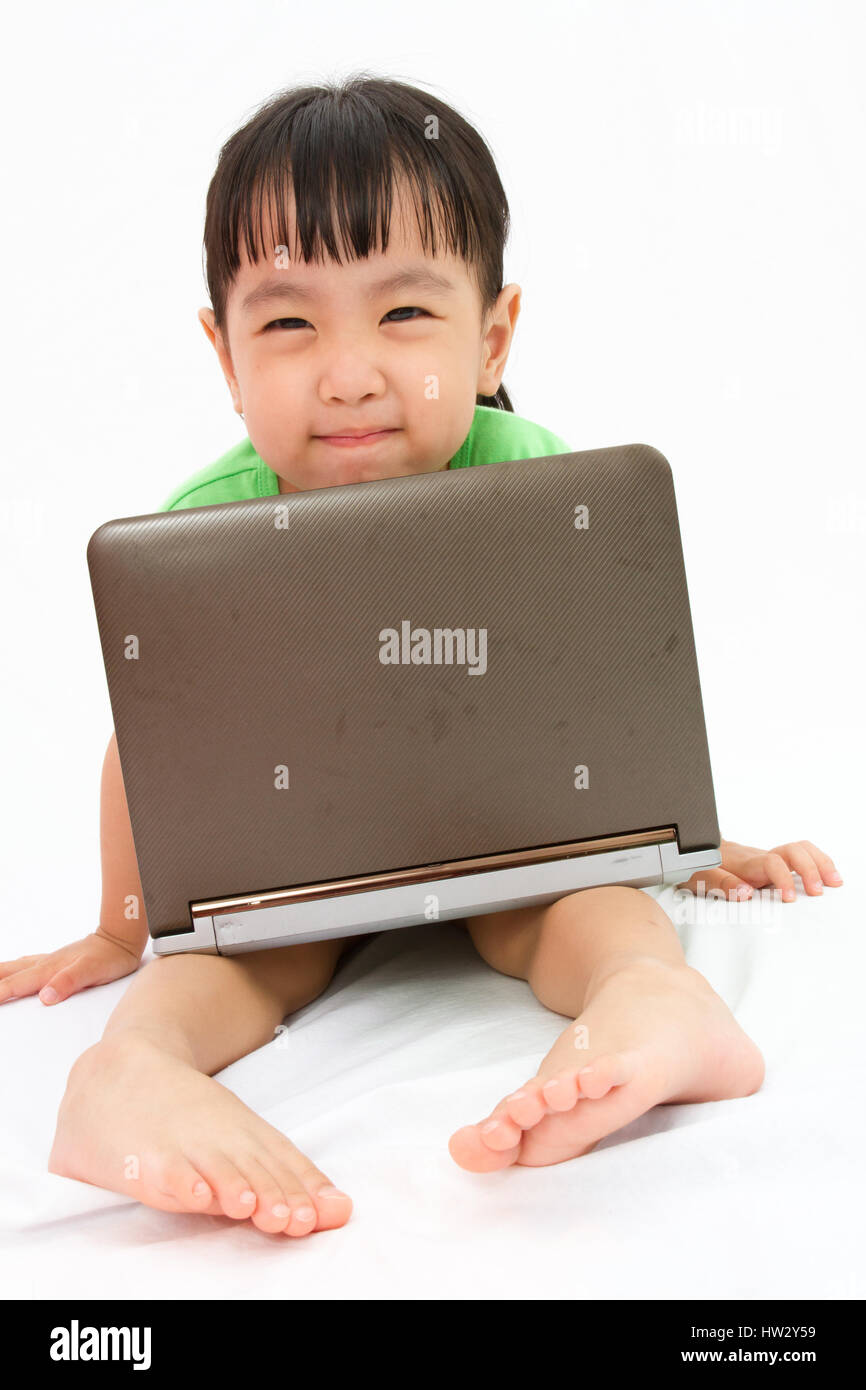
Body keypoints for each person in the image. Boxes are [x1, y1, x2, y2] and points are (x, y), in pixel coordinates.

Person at [0, 74, 842, 1238]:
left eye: (402, 316)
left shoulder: (533, 480)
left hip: (506, 850)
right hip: (303, 888)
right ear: (225, 353)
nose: (348, 372)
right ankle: (128, 1071)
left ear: (489, 337)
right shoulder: (204, 532)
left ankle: (654, 1000)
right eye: (289, 323)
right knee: (232, 968)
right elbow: (150, 743)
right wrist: (118, 924)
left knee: (579, 907)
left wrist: (683, 832)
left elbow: (598, 681)